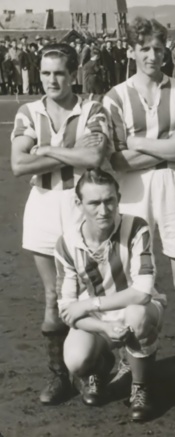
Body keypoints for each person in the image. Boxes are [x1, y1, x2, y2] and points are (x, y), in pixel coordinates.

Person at [10, 43, 110, 405]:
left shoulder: (92, 109)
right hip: (42, 205)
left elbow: (94, 156)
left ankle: (93, 369)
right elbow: (18, 164)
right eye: (46, 73)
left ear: (73, 75)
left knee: (90, 293)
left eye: (60, 73)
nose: (52, 80)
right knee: (53, 296)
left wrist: (47, 149)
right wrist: (70, 153)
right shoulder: (28, 112)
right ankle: (59, 377)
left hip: (81, 207)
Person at [103, 16, 175, 375]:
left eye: (158, 49)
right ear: (131, 51)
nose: (152, 55)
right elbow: (118, 160)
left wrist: (139, 142)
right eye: (144, 48)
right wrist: (169, 142)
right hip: (133, 187)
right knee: (131, 276)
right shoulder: (116, 96)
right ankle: (129, 361)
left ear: (166, 52)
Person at [56, 169, 166, 421]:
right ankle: (100, 367)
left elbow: (142, 292)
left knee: (137, 315)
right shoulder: (66, 243)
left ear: (118, 199)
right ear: (79, 204)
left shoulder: (136, 227)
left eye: (109, 201)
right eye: (94, 203)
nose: (103, 210)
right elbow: (66, 309)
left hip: (139, 308)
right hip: (99, 318)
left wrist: (90, 303)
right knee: (76, 361)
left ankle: (140, 386)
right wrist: (103, 327)